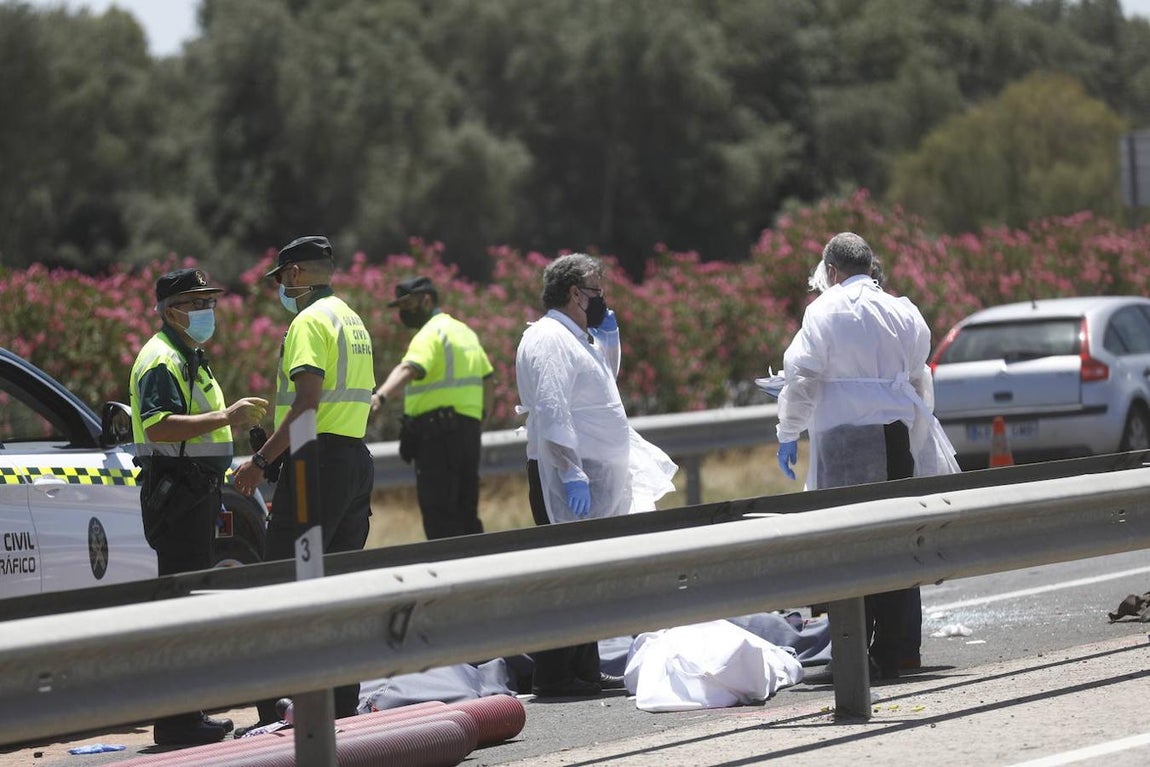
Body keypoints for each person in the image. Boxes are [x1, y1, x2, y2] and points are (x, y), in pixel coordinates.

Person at [774, 232, 958, 680]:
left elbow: (801, 378)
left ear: (831, 271)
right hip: (895, 439)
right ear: (872, 267)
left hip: (845, 443)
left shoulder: (824, 310)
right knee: (899, 541)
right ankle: (901, 649)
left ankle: (854, 654)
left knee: (848, 548)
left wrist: (788, 431)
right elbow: (919, 380)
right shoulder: (904, 311)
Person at [515, 253, 676, 697]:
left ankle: (583, 668)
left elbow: (600, 387)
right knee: (565, 576)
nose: (602, 299)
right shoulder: (548, 338)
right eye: (597, 291)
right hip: (563, 474)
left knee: (587, 574)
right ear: (574, 294)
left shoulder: (577, 336)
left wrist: (610, 340)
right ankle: (554, 673)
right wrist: (570, 471)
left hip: (590, 472)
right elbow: (552, 409)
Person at [232, 235, 375, 727]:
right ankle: (341, 712)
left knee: (281, 585)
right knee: (337, 590)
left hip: (316, 464)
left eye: (280, 280)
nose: (280, 290)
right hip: (354, 459)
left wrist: (260, 461)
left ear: (294, 274)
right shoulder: (350, 318)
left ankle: (278, 714)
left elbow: (308, 403)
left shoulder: (309, 322)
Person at [129, 267, 269, 745]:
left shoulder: (188, 354)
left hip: (196, 490)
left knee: (188, 603)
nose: (206, 310)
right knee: (180, 607)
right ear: (170, 311)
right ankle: (176, 721)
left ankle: (187, 714)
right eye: (195, 302)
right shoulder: (162, 359)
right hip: (178, 493)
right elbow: (158, 426)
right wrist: (226, 417)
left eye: (208, 300)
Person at [370, 276, 494, 540]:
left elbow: (409, 367)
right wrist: (478, 419)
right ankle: (480, 574)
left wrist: (380, 396)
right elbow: (488, 379)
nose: (404, 311)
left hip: (437, 437)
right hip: (468, 434)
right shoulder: (465, 331)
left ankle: (451, 575)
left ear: (427, 300)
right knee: (466, 512)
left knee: (440, 517)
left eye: (408, 303)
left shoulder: (430, 333)